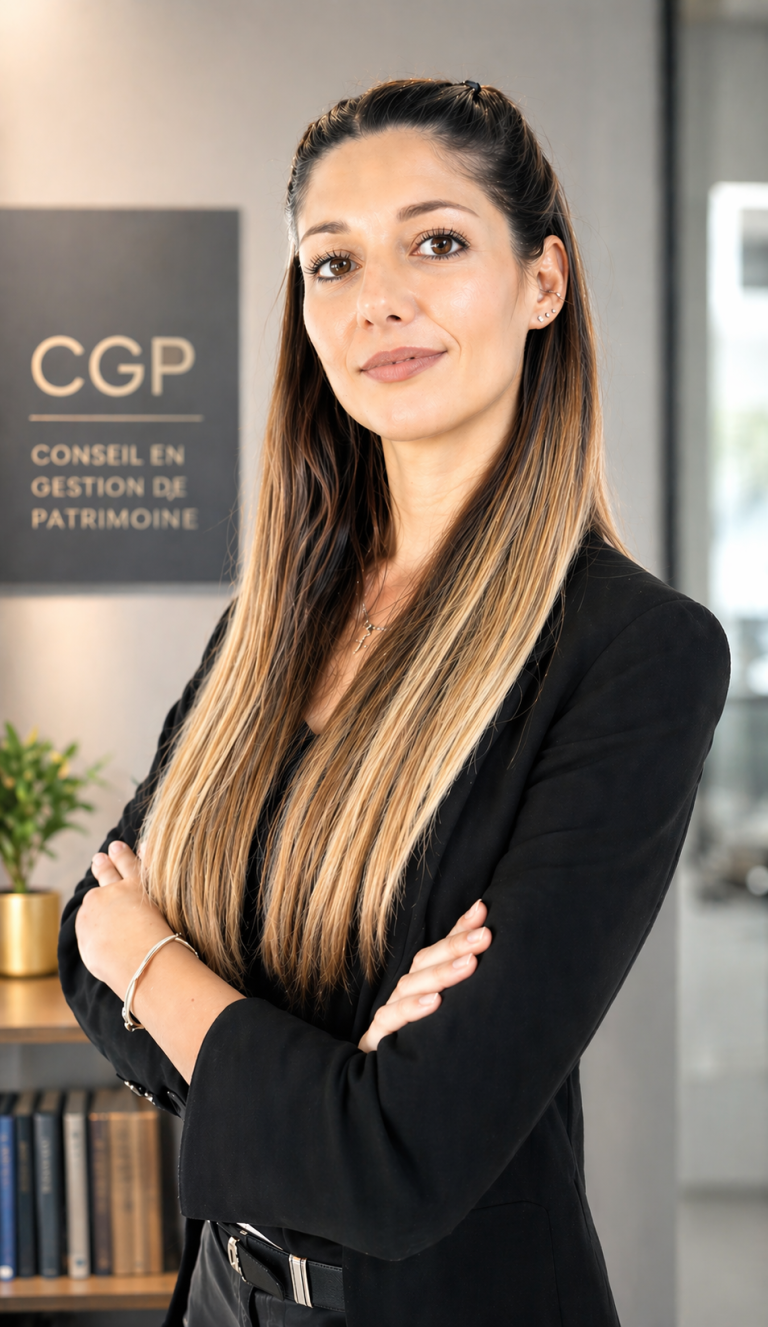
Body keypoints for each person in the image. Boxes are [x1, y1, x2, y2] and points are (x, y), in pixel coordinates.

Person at [59, 78, 729, 1327]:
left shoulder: (637, 655)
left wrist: (153, 957)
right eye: (334, 262)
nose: (379, 299)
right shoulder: (271, 622)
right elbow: (77, 935)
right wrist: (323, 1074)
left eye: (438, 242)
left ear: (543, 281)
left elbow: (395, 1161)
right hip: (220, 1299)